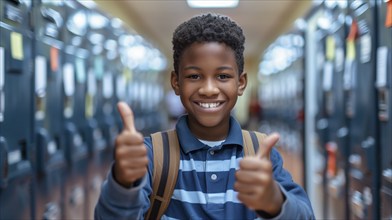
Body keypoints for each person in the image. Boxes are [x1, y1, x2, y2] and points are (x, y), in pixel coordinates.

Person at [95, 13, 314, 219]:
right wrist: (123, 184)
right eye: (194, 76)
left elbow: (306, 214)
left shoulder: (261, 153)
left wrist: (275, 200)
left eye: (222, 75)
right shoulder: (152, 155)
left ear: (241, 83)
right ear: (176, 82)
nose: (209, 89)